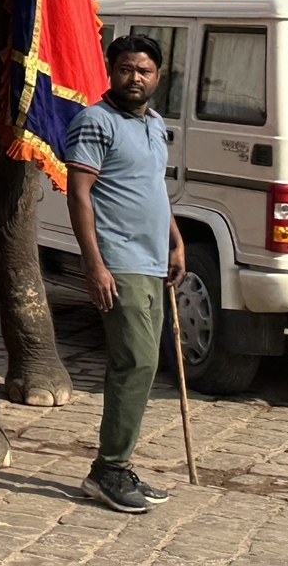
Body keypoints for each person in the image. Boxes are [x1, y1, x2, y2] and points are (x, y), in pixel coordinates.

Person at [65, 33, 186, 514]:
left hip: (154, 261)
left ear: (158, 76)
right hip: (119, 262)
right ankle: (108, 470)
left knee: (145, 365)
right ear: (110, 72)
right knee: (133, 363)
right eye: (125, 69)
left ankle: (120, 464)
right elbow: (79, 194)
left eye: (144, 70)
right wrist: (94, 264)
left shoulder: (155, 124)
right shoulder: (95, 121)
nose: (135, 78)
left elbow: (153, 188)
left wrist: (175, 240)